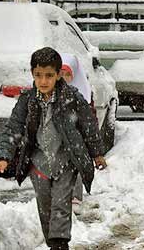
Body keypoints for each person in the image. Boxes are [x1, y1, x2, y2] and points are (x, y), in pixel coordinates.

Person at [0, 47, 107, 250]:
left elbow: (88, 126)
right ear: (33, 74)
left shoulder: (72, 99)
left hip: (65, 162)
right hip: (39, 164)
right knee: (45, 208)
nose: (43, 81)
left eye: (49, 76)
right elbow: (13, 128)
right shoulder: (27, 101)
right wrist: (3, 157)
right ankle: (53, 241)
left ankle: (59, 245)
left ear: (59, 74)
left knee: (61, 205)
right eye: (39, 76)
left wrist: (96, 154)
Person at [59, 53, 93, 208]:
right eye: (61, 73)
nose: (64, 77)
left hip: (77, 140)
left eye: (68, 74)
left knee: (76, 167)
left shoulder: (79, 94)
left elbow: (88, 120)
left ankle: (75, 196)